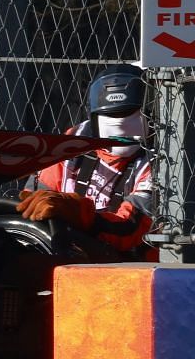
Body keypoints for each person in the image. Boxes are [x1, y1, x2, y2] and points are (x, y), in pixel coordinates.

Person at [18, 66, 155, 255]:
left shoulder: (161, 160)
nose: (120, 124)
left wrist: (78, 212)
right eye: (111, 116)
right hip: (62, 247)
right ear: (94, 119)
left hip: (127, 262)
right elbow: (36, 199)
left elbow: (130, 229)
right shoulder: (74, 142)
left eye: (128, 113)